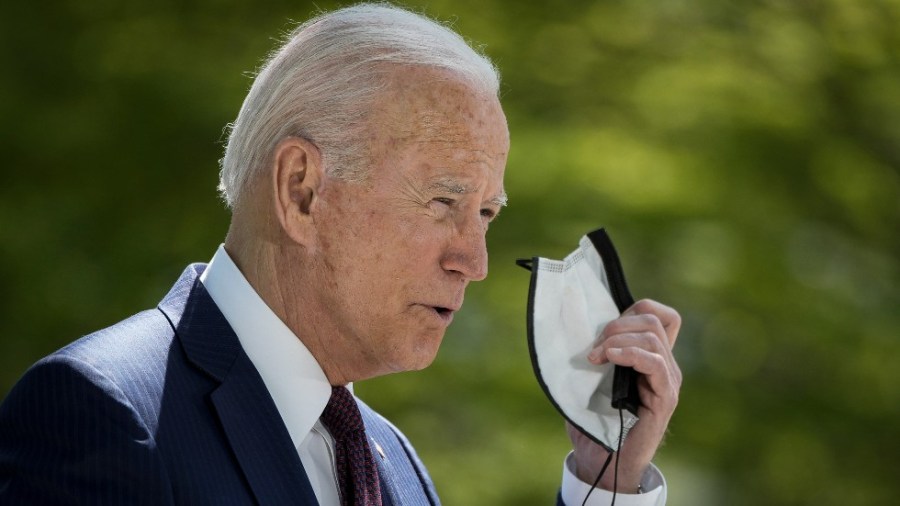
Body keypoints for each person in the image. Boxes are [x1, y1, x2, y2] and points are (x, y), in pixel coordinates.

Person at [0, 3, 681, 505]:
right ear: (301, 191)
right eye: (444, 203)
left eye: (485, 215)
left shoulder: (397, 466)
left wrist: (607, 480)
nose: (474, 261)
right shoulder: (102, 412)